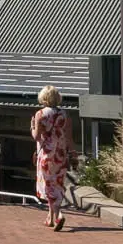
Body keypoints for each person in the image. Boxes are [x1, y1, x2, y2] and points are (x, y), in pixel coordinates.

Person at [30, 85, 72, 231]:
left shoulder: (40, 114)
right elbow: (69, 137)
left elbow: (37, 137)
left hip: (46, 154)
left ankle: (59, 215)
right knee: (56, 185)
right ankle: (51, 218)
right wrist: (73, 153)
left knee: (48, 186)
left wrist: (32, 127)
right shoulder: (64, 115)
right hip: (60, 154)